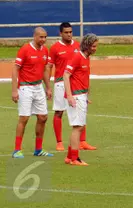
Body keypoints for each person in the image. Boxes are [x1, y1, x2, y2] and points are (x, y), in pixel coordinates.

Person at [48, 22, 96, 151]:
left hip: (76, 85)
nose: (69, 34)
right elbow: (49, 66)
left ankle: (83, 141)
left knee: (81, 110)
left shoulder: (77, 46)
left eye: (70, 32)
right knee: (59, 112)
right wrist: (48, 86)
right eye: (66, 32)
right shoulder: (55, 48)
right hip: (61, 82)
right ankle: (59, 142)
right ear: (60, 33)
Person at [11, 27, 53, 158]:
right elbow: (15, 69)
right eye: (41, 37)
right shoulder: (25, 49)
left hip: (38, 87)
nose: (43, 40)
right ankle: (17, 150)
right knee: (24, 118)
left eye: (45, 37)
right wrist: (14, 90)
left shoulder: (45, 50)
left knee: (43, 117)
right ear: (34, 36)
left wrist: (48, 87)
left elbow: (45, 70)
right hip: (25, 87)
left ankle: (38, 149)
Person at [63, 33, 99, 166]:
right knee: (77, 127)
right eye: (94, 46)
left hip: (81, 96)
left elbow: (81, 78)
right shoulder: (77, 57)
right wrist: (70, 96)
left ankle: (69, 157)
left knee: (79, 126)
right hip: (76, 96)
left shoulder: (86, 57)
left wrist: (86, 96)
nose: (95, 48)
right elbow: (66, 75)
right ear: (87, 45)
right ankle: (75, 158)